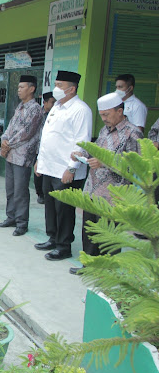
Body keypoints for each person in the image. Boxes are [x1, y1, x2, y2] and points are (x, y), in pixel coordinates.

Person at [68, 92, 142, 275]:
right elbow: (96, 152)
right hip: (93, 190)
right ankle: (88, 266)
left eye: (107, 114)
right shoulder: (104, 130)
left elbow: (135, 165)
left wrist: (105, 163)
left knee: (109, 236)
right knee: (90, 232)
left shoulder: (133, 133)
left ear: (119, 111)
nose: (104, 118)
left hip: (113, 195)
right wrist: (83, 155)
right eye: (101, 115)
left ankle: (107, 273)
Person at [34, 71, 92, 261]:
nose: (56, 89)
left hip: (65, 170)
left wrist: (72, 168)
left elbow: (81, 142)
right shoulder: (57, 106)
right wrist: (39, 162)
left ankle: (64, 245)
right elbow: (48, 137)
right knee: (50, 206)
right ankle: (53, 238)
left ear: (72, 88)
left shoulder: (80, 110)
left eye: (59, 85)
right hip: (49, 167)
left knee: (64, 210)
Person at [0, 75, 44, 236]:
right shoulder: (20, 107)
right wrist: (4, 139)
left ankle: (22, 223)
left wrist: (8, 143)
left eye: (22, 87)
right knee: (10, 188)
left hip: (23, 155)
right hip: (10, 154)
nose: (19, 90)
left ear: (32, 89)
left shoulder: (35, 109)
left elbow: (27, 133)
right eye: (18, 87)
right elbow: (10, 127)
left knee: (20, 190)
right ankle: (11, 217)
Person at [34, 92, 56, 204]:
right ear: (45, 102)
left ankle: (47, 194)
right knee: (38, 174)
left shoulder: (56, 114)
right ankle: (40, 194)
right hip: (38, 147)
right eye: (52, 102)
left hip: (50, 149)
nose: (54, 104)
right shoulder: (38, 113)